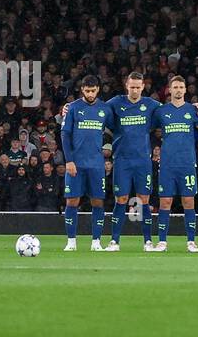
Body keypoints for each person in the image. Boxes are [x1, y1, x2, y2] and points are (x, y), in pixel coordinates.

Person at [149, 75, 198, 252]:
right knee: (165, 202)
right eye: (175, 87)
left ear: (185, 90)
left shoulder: (192, 110)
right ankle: (162, 242)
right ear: (170, 89)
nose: (178, 90)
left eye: (181, 87)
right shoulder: (161, 111)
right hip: (167, 164)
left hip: (187, 164)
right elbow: (148, 129)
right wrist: (153, 149)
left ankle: (191, 241)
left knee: (188, 202)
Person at [104, 72, 161, 252]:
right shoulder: (115, 102)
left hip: (143, 160)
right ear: (126, 86)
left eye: (138, 87)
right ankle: (114, 241)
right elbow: (96, 109)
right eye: (132, 86)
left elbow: (172, 110)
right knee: (121, 199)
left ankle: (148, 242)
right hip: (122, 160)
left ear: (143, 87)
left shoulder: (151, 104)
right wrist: (68, 108)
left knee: (144, 199)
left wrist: (196, 107)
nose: (135, 90)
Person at [60, 75, 112, 251]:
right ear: (82, 90)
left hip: (96, 164)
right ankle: (71, 241)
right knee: (72, 201)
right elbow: (65, 135)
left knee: (98, 202)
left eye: (93, 90)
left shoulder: (105, 109)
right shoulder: (73, 108)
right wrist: (69, 161)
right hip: (76, 164)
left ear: (98, 89)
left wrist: (110, 151)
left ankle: (96, 241)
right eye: (87, 90)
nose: (90, 93)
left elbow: (116, 129)